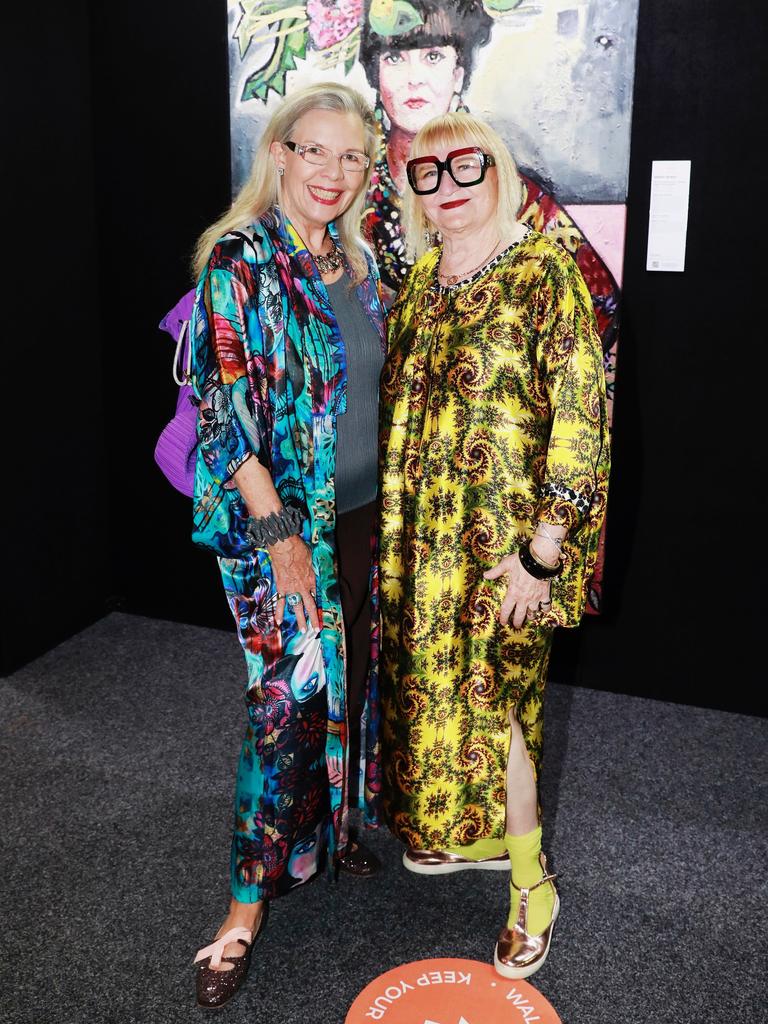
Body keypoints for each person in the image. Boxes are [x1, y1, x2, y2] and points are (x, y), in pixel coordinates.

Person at [378, 111, 610, 980]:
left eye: (464, 165)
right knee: (438, 698)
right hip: (420, 545)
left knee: (502, 707)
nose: (447, 186)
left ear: (498, 171)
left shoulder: (545, 269)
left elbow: (582, 418)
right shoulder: (422, 281)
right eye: (426, 173)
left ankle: (531, 885)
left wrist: (545, 553)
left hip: (509, 548)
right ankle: (467, 836)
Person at [189, 82, 386, 1009]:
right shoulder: (242, 260)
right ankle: (240, 911)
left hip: (359, 518)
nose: (333, 173)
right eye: (316, 152)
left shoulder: (355, 263)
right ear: (280, 153)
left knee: (340, 687)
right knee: (283, 705)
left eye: (351, 157)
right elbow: (221, 417)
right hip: (280, 533)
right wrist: (281, 541)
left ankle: (328, 839)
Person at [359, 0, 620, 358]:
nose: (414, 77)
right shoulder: (355, 195)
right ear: (374, 73)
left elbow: (599, 308)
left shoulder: (511, 194)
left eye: (433, 56)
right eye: (394, 57)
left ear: (459, 72)